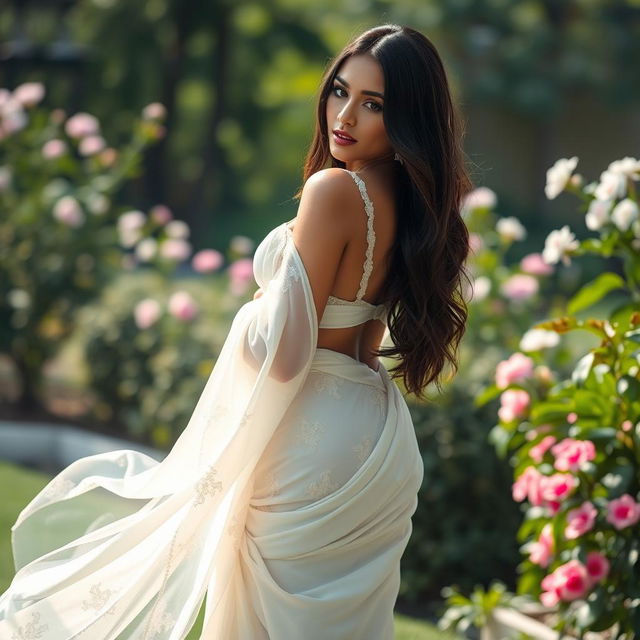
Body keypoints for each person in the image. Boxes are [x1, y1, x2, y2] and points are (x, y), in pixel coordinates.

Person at [0, 23, 472, 639]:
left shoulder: (334, 190)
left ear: (407, 116)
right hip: (377, 435)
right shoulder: (415, 204)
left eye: (374, 104)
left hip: (310, 439)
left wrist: (259, 306)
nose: (345, 115)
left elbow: (285, 357)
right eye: (339, 91)